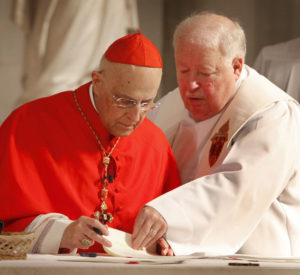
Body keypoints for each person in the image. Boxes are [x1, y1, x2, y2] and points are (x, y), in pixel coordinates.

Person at [131, 12, 300, 257]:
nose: (190, 85)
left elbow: (239, 189)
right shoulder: (171, 107)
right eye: (183, 70)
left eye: (204, 73)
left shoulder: (274, 114)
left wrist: (167, 214)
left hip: (264, 262)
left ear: (236, 66)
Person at [0, 31, 181, 254]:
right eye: (125, 101)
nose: (135, 117)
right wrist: (60, 233)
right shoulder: (28, 124)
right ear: (97, 81)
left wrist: (164, 239)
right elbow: (6, 229)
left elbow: (175, 224)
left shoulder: (155, 143)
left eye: (146, 104)